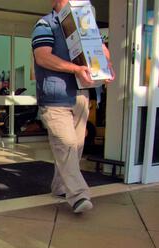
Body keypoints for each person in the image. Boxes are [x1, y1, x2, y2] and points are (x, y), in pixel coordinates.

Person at [31, 0, 115, 213]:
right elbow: (42, 57)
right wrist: (76, 69)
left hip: (80, 95)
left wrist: (106, 66)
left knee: (75, 146)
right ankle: (78, 195)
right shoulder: (45, 24)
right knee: (66, 144)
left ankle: (60, 186)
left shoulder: (84, 23)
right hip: (55, 95)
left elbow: (101, 51)